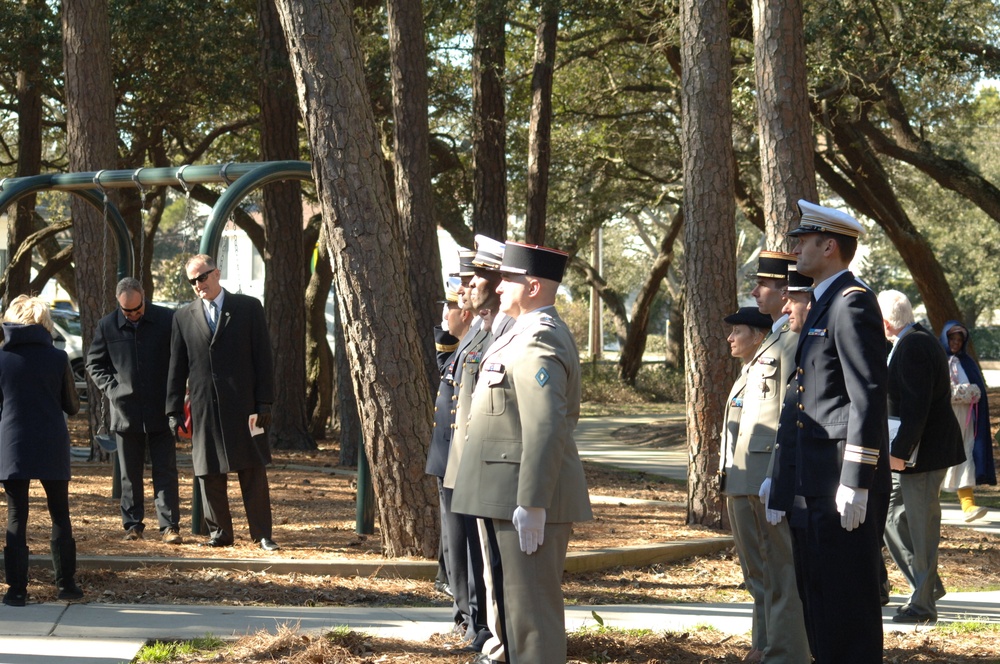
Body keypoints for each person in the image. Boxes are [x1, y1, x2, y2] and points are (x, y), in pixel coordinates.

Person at [452, 241, 593, 664]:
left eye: (509, 279)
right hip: (503, 493)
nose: (498, 288)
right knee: (515, 613)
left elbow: (545, 424)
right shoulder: (522, 332)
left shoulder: (539, 336)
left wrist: (532, 503)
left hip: (522, 497)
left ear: (532, 287)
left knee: (532, 617)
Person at [787, 200, 890, 664]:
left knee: (848, 604)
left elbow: (866, 396)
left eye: (803, 242)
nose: (796, 250)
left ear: (829, 246)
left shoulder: (851, 303)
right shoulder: (822, 304)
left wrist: (856, 479)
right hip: (814, 479)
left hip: (839, 481)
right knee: (820, 601)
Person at [166, 254, 279, 551]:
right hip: (204, 407)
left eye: (202, 277)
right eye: (192, 281)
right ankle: (220, 532)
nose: (198, 285)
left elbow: (263, 359)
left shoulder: (248, 307)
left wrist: (265, 402)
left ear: (217, 273)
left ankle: (262, 534)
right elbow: (176, 368)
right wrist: (173, 409)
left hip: (245, 406)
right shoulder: (182, 317)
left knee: (252, 470)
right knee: (208, 472)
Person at [734, 250, 810, 664]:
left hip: (770, 472)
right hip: (752, 471)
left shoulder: (793, 338)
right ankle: (766, 646)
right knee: (763, 572)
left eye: (762, 285)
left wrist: (781, 474)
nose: (754, 291)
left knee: (781, 572)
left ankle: (786, 653)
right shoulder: (777, 337)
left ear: (784, 291)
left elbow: (791, 410)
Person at [877, 290, 965, 624]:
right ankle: (927, 585)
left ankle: (923, 605)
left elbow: (917, 407)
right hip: (914, 452)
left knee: (921, 527)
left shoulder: (914, 345)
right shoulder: (910, 341)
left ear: (886, 322)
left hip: (922, 454)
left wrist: (898, 452)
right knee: (890, 519)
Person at [444, 236, 512, 660]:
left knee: (490, 561)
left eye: (474, 279)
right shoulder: (481, 332)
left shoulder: (497, 334)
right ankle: (482, 625)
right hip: (465, 462)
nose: (464, 289)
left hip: (485, 465)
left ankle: (490, 629)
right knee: (475, 552)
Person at [0, 295, 83, 605]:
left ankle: (17, 589)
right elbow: (72, 406)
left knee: (16, 514)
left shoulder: (1, 358)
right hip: (51, 438)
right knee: (59, 512)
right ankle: (66, 585)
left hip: (13, 440)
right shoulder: (59, 358)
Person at [86, 277, 182, 544]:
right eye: (127, 311)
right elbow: (94, 364)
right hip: (125, 410)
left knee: (165, 470)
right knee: (129, 472)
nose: (133, 315)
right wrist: (114, 390)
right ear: (119, 305)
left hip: (161, 408)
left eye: (137, 309)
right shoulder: (107, 325)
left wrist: (174, 394)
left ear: (144, 299)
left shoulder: (166, 319)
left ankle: (169, 527)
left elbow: (180, 357)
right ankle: (133, 525)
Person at [719, 305, 774, 662]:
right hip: (737, 481)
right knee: (754, 571)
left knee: (763, 570)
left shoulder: (764, 368)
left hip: (753, 482)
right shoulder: (747, 371)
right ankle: (762, 642)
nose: (730, 338)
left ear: (758, 336)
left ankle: (767, 645)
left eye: (737, 331)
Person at [425, 272, 474, 637]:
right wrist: (447, 333)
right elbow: (446, 370)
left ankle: (469, 617)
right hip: (448, 455)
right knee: (452, 544)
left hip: (466, 457)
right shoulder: (460, 344)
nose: (444, 313)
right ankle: (462, 614)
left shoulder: (478, 342)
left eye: (451, 306)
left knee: (463, 547)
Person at [939, 321, 996, 521]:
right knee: (938, 459)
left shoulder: (968, 363)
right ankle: (929, 504)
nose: (955, 343)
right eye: (952, 339)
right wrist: (964, 392)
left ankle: (968, 505)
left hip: (966, 420)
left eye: (959, 340)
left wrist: (972, 392)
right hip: (943, 420)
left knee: (965, 457)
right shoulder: (937, 360)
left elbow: (978, 391)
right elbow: (940, 391)